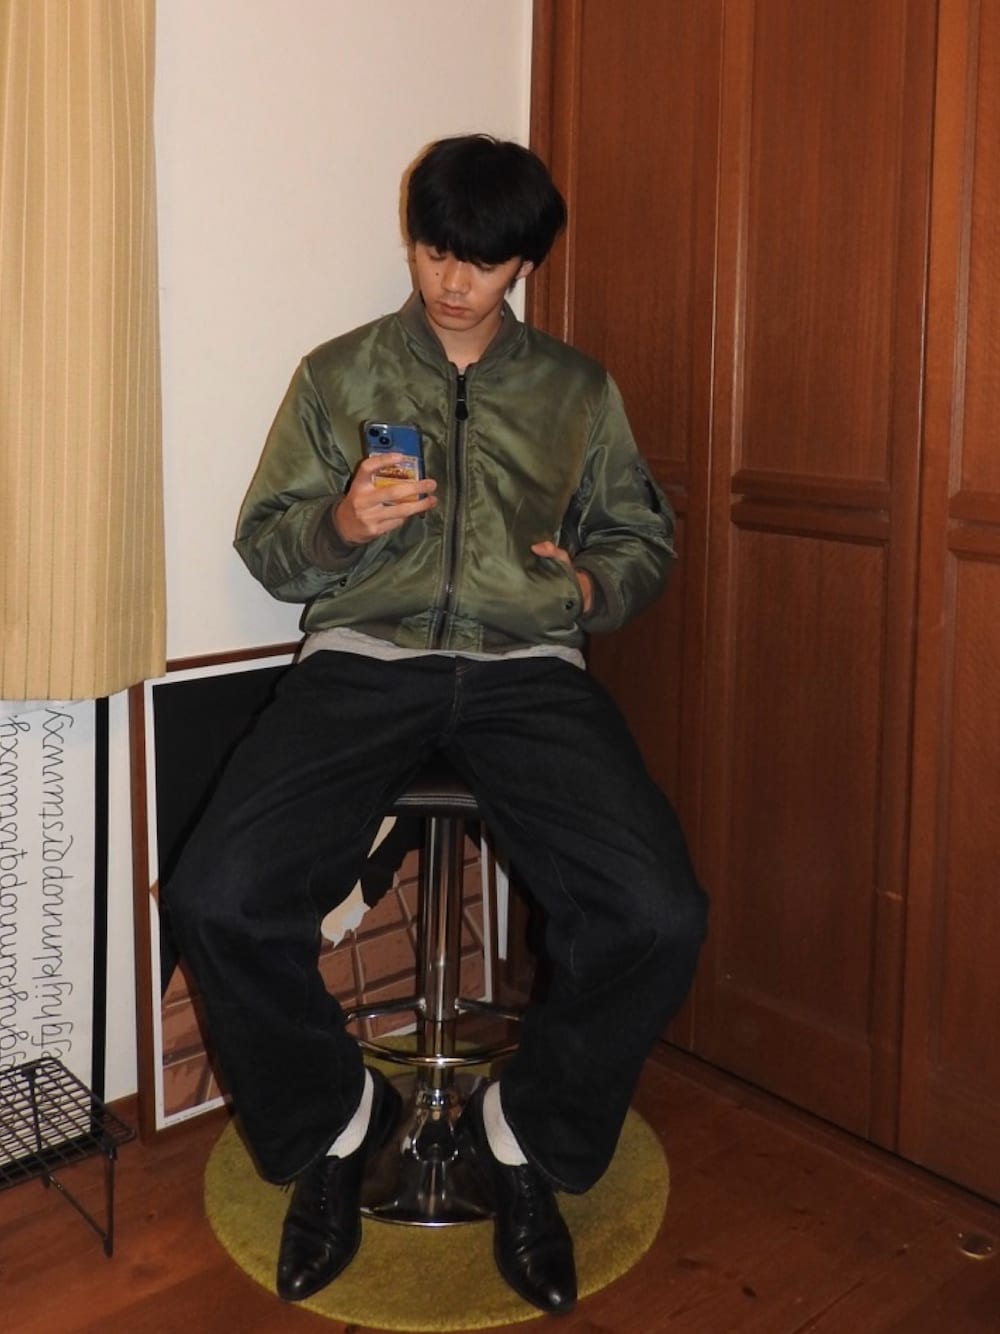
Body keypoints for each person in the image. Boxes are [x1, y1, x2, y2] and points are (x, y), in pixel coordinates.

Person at [166, 133, 708, 1316]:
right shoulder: (338, 374)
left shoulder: (576, 389)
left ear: (524, 263)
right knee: (216, 892)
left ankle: (524, 1133)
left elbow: (641, 538)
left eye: (484, 260)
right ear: (411, 239)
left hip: (528, 672)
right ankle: (335, 1117)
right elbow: (268, 544)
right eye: (434, 250)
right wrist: (342, 527)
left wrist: (584, 588)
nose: (454, 281)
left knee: (657, 911)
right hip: (363, 664)